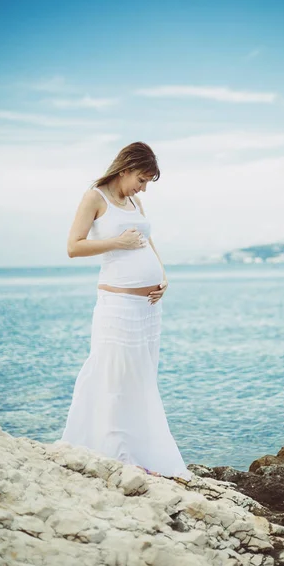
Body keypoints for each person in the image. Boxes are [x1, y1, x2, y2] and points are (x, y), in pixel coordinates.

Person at [58, 141, 193, 483]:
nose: (143, 187)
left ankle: (139, 452)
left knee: (141, 380)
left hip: (147, 309)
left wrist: (163, 277)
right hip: (117, 307)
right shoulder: (95, 197)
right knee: (114, 377)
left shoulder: (135, 201)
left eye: (147, 182)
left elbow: (148, 242)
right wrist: (117, 242)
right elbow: (74, 246)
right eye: (142, 179)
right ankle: (115, 452)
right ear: (126, 169)